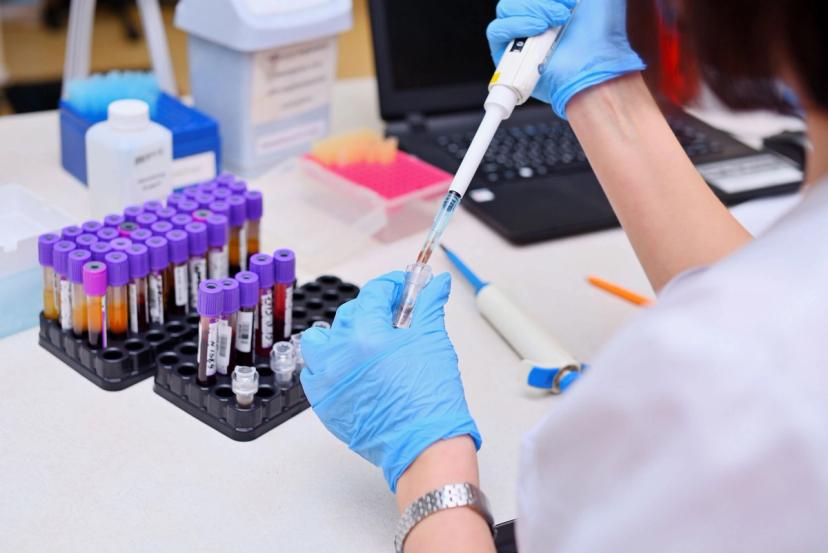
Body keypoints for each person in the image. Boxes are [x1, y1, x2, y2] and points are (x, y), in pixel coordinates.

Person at [300, 0, 828, 551]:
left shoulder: (699, 392)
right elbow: (759, 309)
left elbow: (756, 353)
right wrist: (602, 89)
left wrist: (429, 463)